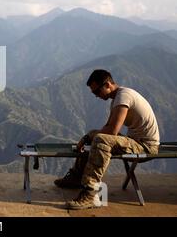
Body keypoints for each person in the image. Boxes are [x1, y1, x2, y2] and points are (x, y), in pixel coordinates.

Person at [54, 69, 160, 210]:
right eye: (94, 93)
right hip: (135, 141)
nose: (96, 96)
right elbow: (108, 129)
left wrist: (89, 136)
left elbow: (112, 131)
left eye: (97, 91)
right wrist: (88, 136)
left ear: (108, 84)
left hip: (146, 146)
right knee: (96, 137)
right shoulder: (118, 98)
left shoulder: (123, 97)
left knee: (100, 140)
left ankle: (90, 193)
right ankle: (76, 177)